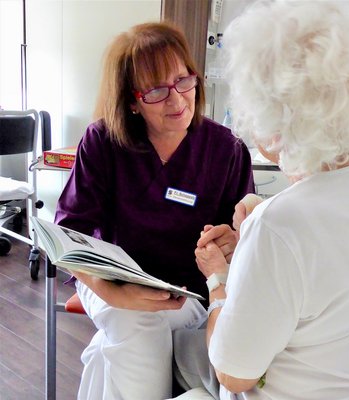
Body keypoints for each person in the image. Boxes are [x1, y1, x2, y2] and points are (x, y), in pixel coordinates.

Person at [194, 1, 349, 399]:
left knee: (180, 354)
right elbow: (340, 242)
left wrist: (218, 278)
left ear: (270, 115)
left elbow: (233, 374)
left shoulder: (280, 227)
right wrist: (262, 223)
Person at [54, 21, 254, 400]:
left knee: (114, 349)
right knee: (135, 321)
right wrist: (113, 293)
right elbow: (69, 234)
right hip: (108, 281)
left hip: (188, 293)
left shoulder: (226, 150)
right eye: (157, 91)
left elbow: (246, 236)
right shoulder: (104, 142)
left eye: (183, 81)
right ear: (131, 101)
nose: (177, 100)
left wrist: (233, 240)